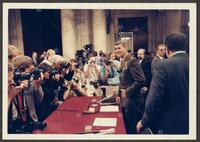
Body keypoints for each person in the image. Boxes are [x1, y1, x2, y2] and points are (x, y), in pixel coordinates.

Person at [136, 32, 189, 134]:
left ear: (167, 49)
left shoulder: (163, 65)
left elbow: (155, 98)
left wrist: (144, 121)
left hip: (169, 123)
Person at [114, 40, 145, 134]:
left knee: (131, 129)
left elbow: (141, 80)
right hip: (126, 100)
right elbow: (123, 80)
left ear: (125, 48)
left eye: (119, 48)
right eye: (115, 49)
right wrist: (119, 94)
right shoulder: (124, 60)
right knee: (126, 127)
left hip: (133, 101)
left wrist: (126, 91)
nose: (117, 50)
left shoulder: (132, 60)